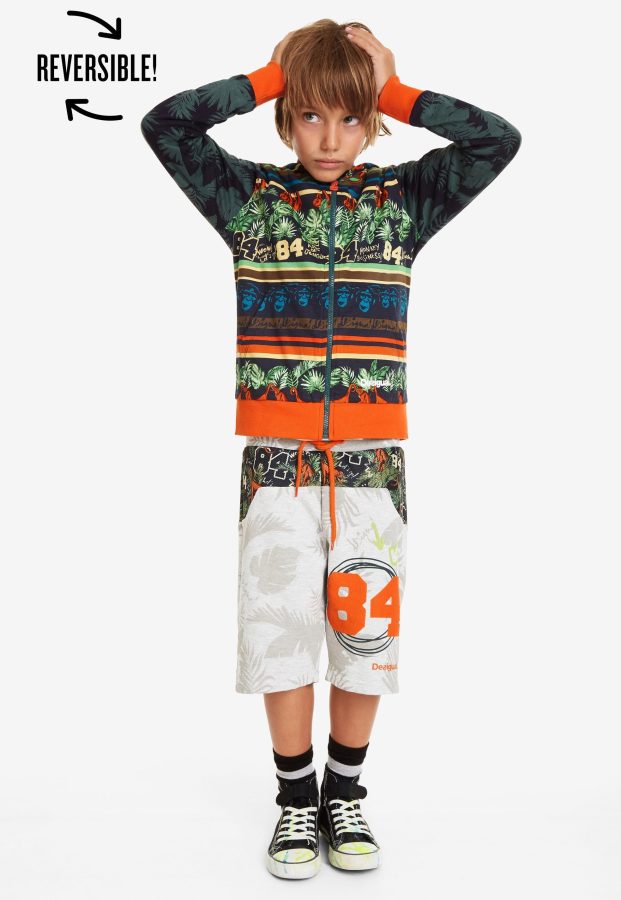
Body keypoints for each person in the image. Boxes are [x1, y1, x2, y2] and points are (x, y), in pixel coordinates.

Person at [140, 17, 521, 880]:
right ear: (285, 116)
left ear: (372, 122)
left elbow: (496, 140)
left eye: (350, 119)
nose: (329, 138)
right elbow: (166, 125)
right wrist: (271, 76)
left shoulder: (402, 203)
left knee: (363, 637)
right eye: (310, 115)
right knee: (278, 637)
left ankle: (344, 793)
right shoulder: (250, 203)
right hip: (275, 464)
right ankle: (293, 801)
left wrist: (390, 87)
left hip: (371, 467)